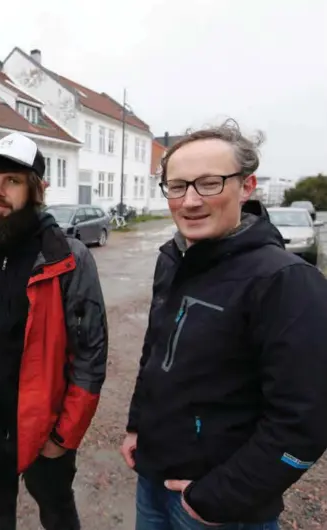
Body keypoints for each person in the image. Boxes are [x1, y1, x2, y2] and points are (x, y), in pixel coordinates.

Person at [120, 119, 327, 529]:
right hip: (153, 481)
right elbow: (157, 353)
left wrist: (217, 498)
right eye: (177, 186)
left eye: (209, 183)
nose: (190, 201)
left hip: (219, 509)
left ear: (246, 187)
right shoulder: (174, 259)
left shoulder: (284, 280)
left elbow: (304, 420)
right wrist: (136, 426)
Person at [0, 132, 108, 530]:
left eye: (12, 181)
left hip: (43, 425)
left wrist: (63, 435)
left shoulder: (67, 258)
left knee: (55, 509)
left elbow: (91, 354)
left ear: (38, 189)